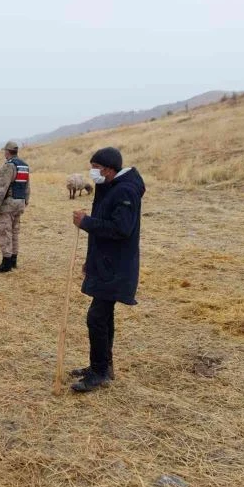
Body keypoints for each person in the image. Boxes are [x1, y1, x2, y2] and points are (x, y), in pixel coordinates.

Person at [70, 147, 145, 392]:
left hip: (116, 266)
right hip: (105, 262)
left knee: (96, 317)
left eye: (95, 168)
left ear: (109, 170)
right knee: (103, 316)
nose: (92, 172)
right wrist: (90, 260)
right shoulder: (110, 187)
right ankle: (103, 366)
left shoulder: (125, 191)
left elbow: (121, 228)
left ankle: (99, 372)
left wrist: (86, 222)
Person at [0, 140, 30, 272]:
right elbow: (27, 187)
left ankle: (6, 263)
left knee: (5, 231)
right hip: (19, 203)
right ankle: (13, 260)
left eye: (5, 151)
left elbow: (1, 188)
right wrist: (26, 201)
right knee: (15, 232)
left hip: (8, 204)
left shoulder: (8, 166)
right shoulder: (24, 165)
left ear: (7, 152)